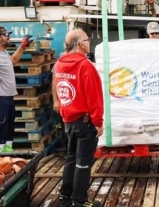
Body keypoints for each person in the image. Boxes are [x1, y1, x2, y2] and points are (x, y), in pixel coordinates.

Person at [53, 29, 104, 207]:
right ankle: (80, 201)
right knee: (83, 163)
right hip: (85, 122)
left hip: (68, 120)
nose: (89, 42)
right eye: (87, 40)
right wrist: (98, 122)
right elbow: (94, 97)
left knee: (71, 158)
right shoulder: (85, 66)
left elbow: (59, 90)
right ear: (81, 44)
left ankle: (65, 197)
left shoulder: (59, 64)